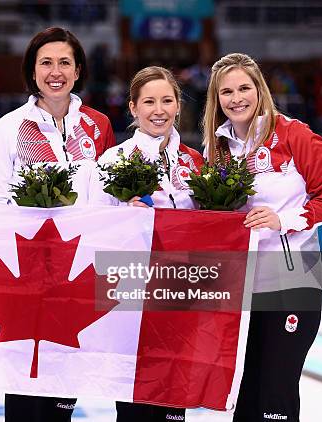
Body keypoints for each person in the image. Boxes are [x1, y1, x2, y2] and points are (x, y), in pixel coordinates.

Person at [0, 26, 116, 421]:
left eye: (64, 63)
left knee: (64, 391)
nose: (55, 71)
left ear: (77, 71)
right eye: (46, 63)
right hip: (26, 274)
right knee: (25, 386)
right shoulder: (9, 127)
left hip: (78, 273)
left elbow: (108, 196)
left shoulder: (98, 125)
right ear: (32, 70)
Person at [202, 53, 322, 422]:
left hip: (292, 283)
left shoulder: (296, 134)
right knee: (245, 396)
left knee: (275, 396)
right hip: (242, 288)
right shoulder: (217, 150)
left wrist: (283, 220)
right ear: (216, 100)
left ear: (259, 89)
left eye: (244, 88)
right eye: (226, 92)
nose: (236, 98)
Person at [89, 66, 201, 421]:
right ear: (133, 108)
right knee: (135, 403)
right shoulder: (112, 161)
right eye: (149, 101)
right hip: (129, 294)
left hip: (180, 293)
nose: (159, 110)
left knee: (173, 405)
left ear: (178, 106)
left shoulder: (195, 163)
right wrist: (125, 216)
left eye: (167, 100)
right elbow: (92, 231)